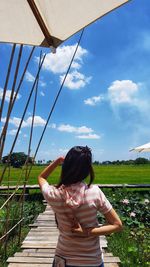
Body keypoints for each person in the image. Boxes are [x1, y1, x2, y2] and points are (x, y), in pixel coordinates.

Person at [38, 146, 123, 267]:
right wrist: (87, 231)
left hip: (64, 259)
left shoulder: (53, 194)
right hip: (93, 260)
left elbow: (41, 177)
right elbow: (117, 225)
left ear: (66, 166)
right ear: (87, 169)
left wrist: (57, 161)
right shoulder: (95, 192)